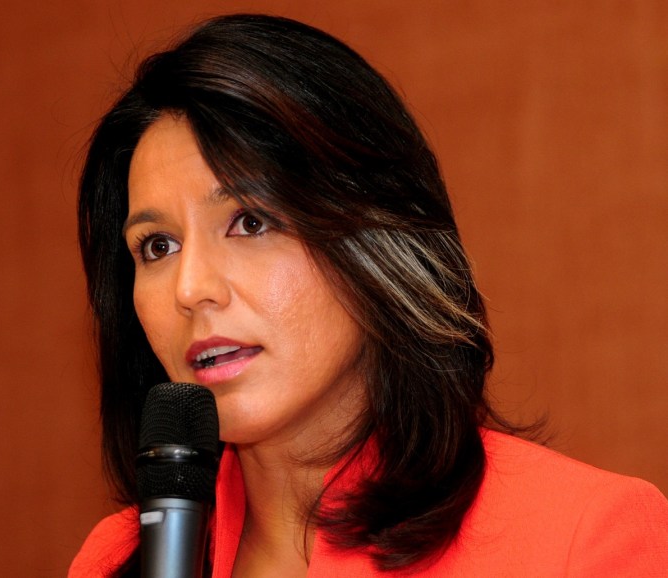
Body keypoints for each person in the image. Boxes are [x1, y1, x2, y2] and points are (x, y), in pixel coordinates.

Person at [70, 14, 668, 578]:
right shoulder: (117, 560)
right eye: (157, 246)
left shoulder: (581, 537)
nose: (191, 288)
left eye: (250, 222)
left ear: (376, 240)